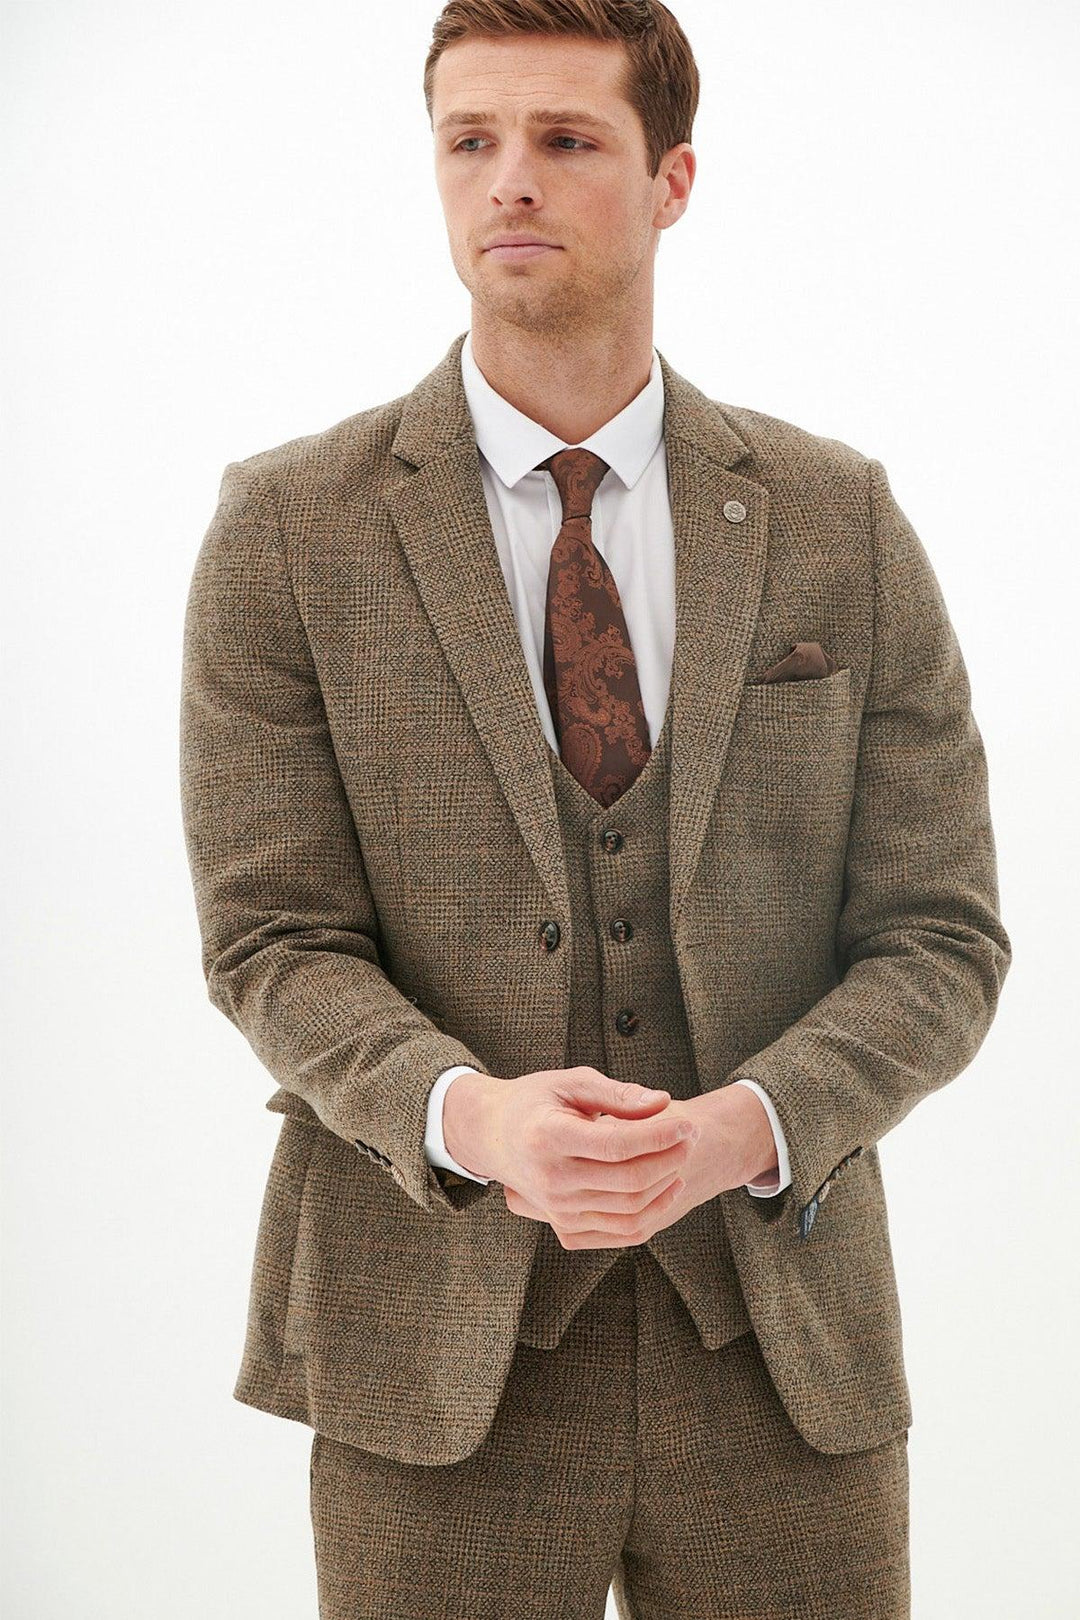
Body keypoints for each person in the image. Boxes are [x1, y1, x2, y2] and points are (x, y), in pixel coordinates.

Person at [178, 2, 1011, 1614]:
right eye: (470, 141)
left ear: (672, 178)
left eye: (567, 141)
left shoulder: (838, 518)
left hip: (780, 1350)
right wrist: (477, 1120)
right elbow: (272, 941)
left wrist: (743, 1129)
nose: (511, 183)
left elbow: (940, 937)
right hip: (434, 1367)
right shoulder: (289, 530)